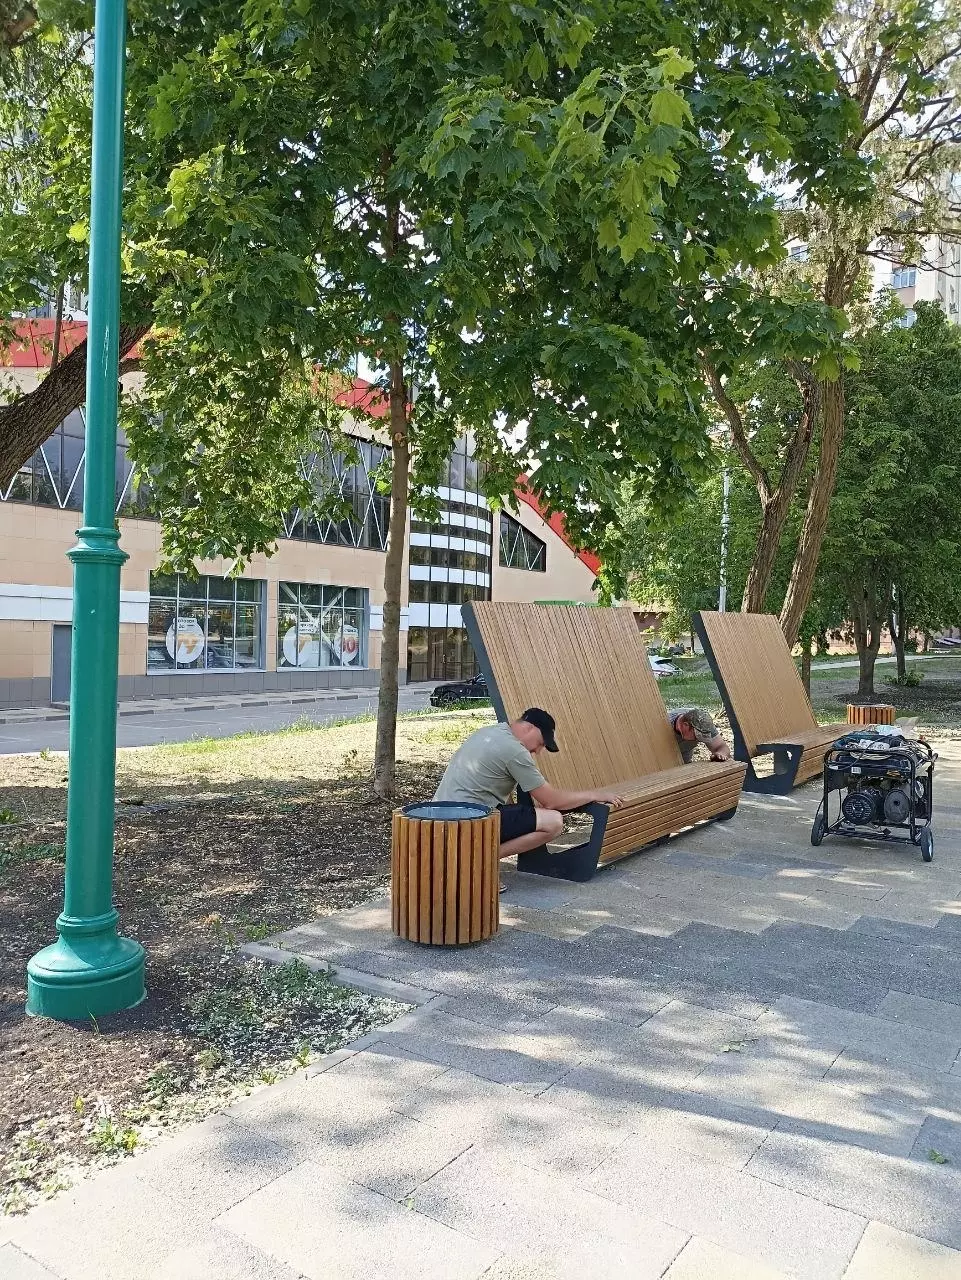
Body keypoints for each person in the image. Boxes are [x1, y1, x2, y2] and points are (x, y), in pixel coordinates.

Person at [433, 707, 624, 860]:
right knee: (554, 822)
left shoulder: (491, 732)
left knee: (524, 813)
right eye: (541, 743)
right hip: (469, 822)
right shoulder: (515, 751)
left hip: (442, 816)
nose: (538, 751)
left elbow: (496, 789)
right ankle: (482, 861)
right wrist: (595, 795)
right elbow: (552, 802)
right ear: (528, 728)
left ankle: (476, 856)